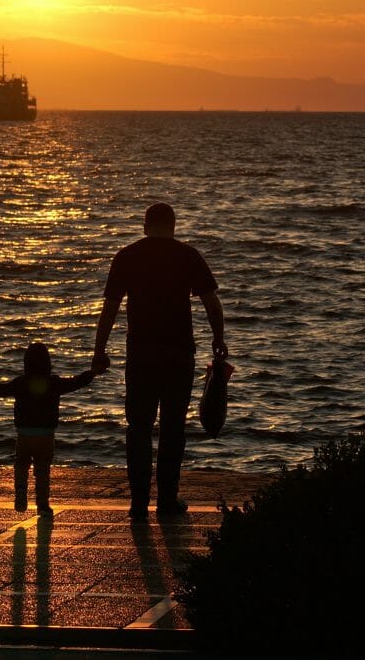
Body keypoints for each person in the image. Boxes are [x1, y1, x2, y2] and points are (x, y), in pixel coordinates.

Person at [92, 203, 227, 521]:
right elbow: (211, 303)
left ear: (145, 225)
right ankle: (167, 500)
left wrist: (99, 350)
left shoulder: (127, 255)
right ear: (173, 225)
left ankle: (138, 504)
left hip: (141, 354)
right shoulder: (188, 255)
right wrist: (218, 339)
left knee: (138, 428)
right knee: (172, 427)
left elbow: (110, 308)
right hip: (179, 353)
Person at [0, 342, 97, 517]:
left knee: (21, 465)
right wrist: (92, 373)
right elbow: (76, 382)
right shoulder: (54, 383)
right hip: (46, 435)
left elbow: (1, 391)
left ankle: (21, 490)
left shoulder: (20, 382)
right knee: (43, 469)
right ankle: (43, 504)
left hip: (24, 434)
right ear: (48, 363)